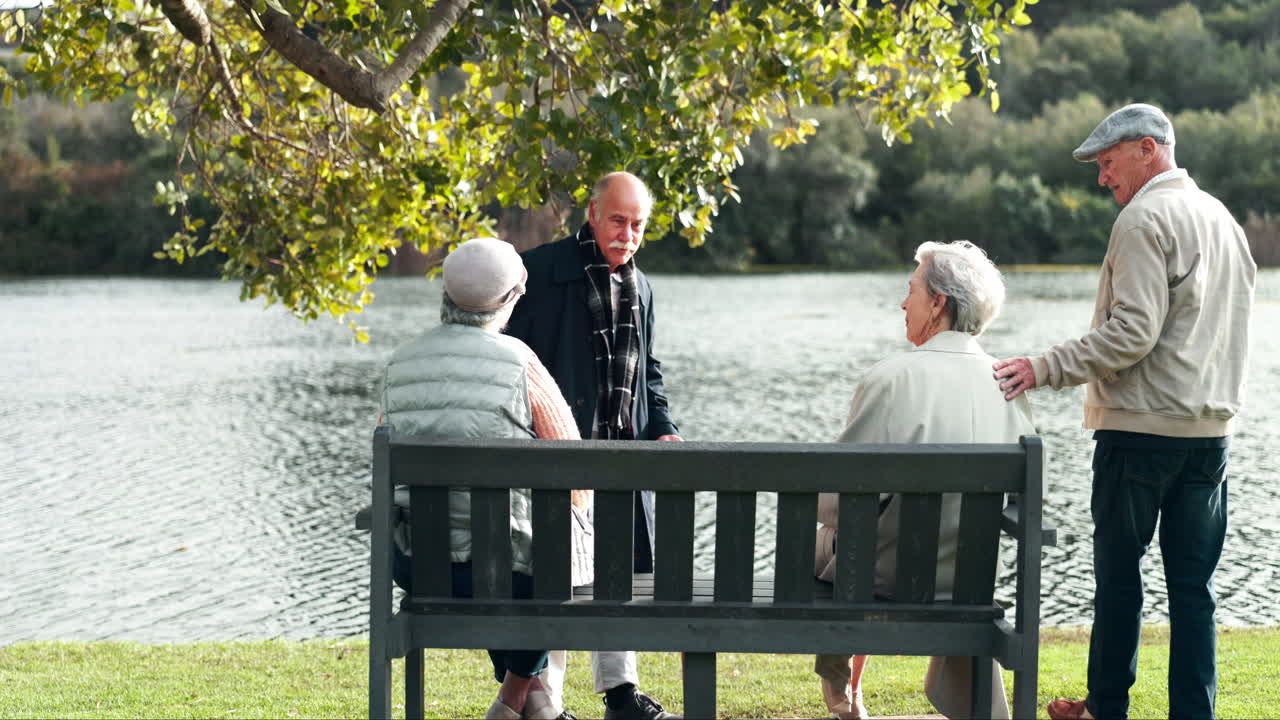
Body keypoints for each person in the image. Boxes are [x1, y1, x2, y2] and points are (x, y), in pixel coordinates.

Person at [992, 103, 1257, 720]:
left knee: (1119, 580)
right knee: (1195, 591)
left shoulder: (1144, 219)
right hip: (1210, 436)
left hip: (1140, 431)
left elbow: (1132, 333)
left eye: (1107, 163)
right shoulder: (1222, 218)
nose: (1102, 178)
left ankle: (1104, 709)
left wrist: (1042, 366)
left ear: (1147, 148)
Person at [814, 240, 1036, 720]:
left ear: (938, 303)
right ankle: (974, 705)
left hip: (889, 577)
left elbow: (834, 500)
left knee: (835, 538)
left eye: (911, 290)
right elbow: (1024, 506)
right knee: (893, 536)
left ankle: (838, 683)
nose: (902, 302)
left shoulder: (891, 378)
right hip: (969, 581)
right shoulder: (1009, 386)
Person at [378, 237, 589, 720]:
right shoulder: (521, 364)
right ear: (511, 299)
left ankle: (537, 704)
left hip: (419, 566)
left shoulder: (398, 365)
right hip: (512, 577)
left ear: (446, 296)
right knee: (540, 558)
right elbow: (578, 471)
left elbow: (385, 472)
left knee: (502, 549)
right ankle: (511, 703)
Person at [505, 171, 682, 720]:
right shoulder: (540, 272)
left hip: (621, 459)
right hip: (556, 460)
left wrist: (663, 426)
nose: (628, 234)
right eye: (618, 220)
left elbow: (647, 372)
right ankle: (547, 706)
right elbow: (511, 363)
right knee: (555, 578)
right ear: (592, 213)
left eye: (638, 225)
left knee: (618, 577)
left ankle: (621, 693)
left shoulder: (643, 286)